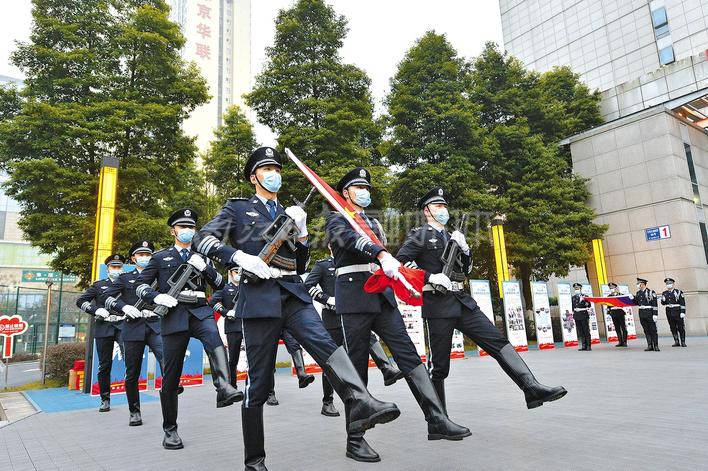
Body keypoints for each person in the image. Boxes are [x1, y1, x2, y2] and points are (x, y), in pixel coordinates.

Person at [193, 147, 400, 471]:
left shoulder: (289, 213)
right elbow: (202, 240)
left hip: (293, 293)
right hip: (259, 299)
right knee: (259, 384)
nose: (273, 173)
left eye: (276, 167)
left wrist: (301, 234)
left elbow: (299, 262)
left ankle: (362, 400)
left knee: (328, 348)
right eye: (266, 168)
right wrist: (237, 257)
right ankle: (255, 461)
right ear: (254, 177)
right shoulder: (238, 209)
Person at [326, 172, 470, 463]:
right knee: (357, 367)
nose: (365, 191)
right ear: (345, 192)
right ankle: (355, 439)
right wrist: (380, 253)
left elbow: (384, 257)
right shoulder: (336, 218)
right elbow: (352, 242)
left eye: (367, 186)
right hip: (354, 296)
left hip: (381, 294)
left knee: (408, 355)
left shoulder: (375, 222)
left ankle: (436, 418)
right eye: (358, 187)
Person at [397, 187, 567, 414]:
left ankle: (531, 387)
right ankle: (439, 419)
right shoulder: (419, 235)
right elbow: (400, 263)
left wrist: (465, 250)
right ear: (426, 211)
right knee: (439, 366)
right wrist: (429, 277)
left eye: (445, 206)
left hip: (462, 301)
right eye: (438, 206)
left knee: (497, 341)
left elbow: (465, 269)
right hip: (437, 304)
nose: (443, 210)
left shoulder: (452, 236)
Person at [136, 208, 242, 450]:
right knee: (172, 374)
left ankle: (224, 386)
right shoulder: (160, 258)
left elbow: (219, 285)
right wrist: (157, 297)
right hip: (173, 314)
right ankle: (170, 429)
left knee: (215, 338)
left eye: (191, 228)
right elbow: (141, 287)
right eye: (183, 227)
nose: (187, 231)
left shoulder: (201, 256)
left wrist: (205, 267)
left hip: (199, 310)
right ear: (173, 231)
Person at [305, 249, 404, 417]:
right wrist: (327, 299)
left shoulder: (359, 262)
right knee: (333, 360)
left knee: (370, 339)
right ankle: (327, 401)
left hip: (355, 313)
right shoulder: (323, 265)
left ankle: (386, 368)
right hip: (334, 319)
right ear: (331, 245)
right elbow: (308, 285)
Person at [103, 240, 163, 426]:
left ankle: (171, 390)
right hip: (132, 327)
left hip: (154, 325)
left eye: (147, 255)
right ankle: (134, 411)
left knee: (167, 359)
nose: (144, 258)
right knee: (132, 372)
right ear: (133, 258)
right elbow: (107, 297)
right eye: (141, 255)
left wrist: (157, 309)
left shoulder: (158, 277)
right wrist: (125, 307)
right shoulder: (124, 278)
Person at [76, 254, 125, 412]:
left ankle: (132, 396)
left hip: (123, 325)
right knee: (104, 365)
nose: (116, 270)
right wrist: (96, 309)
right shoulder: (98, 286)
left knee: (131, 360)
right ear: (108, 269)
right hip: (104, 327)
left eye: (119, 267)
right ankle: (105, 399)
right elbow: (81, 301)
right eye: (113, 267)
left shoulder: (128, 283)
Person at [210, 267, 243, 389]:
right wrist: (225, 312)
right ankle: (232, 385)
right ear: (230, 273)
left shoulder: (247, 287)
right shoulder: (224, 288)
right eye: (235, 272)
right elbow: (213, 302)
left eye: (240, 272)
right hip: (233, 326)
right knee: (233, 359)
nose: (238, 274)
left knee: (254, 358)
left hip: (249, 326)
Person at [264, 328, 316, 407]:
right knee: (269, 354)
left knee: (293, 343)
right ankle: (270, 393)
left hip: (284, 322)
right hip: (269, 323)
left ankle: (302, 375)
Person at [661, 277, 687, 347]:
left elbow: (682, 303)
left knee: (681, 327)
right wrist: (663, 300)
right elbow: (663, 303)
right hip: (669, 311)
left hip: (677, 311)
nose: (668, 285)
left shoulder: (678, 292)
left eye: (669, 283)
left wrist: (683, 312)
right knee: (672, 327)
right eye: (667, 284)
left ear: (673, 284)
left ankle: (683, 341)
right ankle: (676, 341)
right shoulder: (664, 293)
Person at [635, 278, 659, 351]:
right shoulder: (638, 293)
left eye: (638, 284)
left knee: (653, 330)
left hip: (649, 313)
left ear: (642, 284)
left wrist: (655, 314)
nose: (637, 285)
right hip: (642, 313)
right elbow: (636, 303)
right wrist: (632, 298)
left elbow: (655, 304)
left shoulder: (651, 292)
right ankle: (650, 345)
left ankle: (656, 345)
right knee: (646, 330)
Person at [571, 283, 592, 351]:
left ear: (580, 289)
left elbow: (589, 305)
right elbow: (573, 307)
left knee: (586, 331)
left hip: (584, 315)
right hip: (577, 315)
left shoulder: (585, 296)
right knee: (580, 331)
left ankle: (588, 346)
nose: (576, 290)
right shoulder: (573, 297)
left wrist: (584, 301)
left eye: (577, 288)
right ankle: (583, 346)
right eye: (575, 289)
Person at [607, 282, 627, 347]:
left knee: (623, 327)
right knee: (617, 328)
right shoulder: (609, 296)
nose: (611, 289)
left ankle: (625, 341)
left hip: (620, 312)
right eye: (610, 288)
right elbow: (608, 306)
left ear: (615, 288)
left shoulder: (621, 295)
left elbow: (625, 302)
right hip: (613, 313)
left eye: (612, 287)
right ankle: (620, 342)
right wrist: (609, 312)